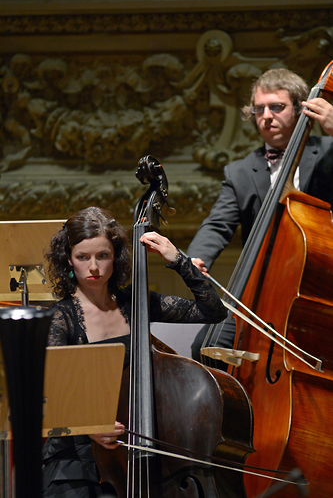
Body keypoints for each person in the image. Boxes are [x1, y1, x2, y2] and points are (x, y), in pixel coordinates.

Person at [42, 206, 227, 498]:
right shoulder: (59, 318)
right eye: (82, 257)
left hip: (138, 447)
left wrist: (178, 261)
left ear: (115, 257)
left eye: (102, 256)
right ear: (69, 259)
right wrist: (89, 427)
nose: (93, 267)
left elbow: (213, 311)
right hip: (77, 458)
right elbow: (47, 396)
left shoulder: (136, 304)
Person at [187, 67, 333, 367]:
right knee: (206, 347)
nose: (266, 116)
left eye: (277, 107)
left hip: (320, 288)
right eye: (259, 109)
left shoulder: (329, 150)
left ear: (301, 108)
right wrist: (196, 257)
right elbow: (217, 224)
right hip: (259, 293)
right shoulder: (240, 171)